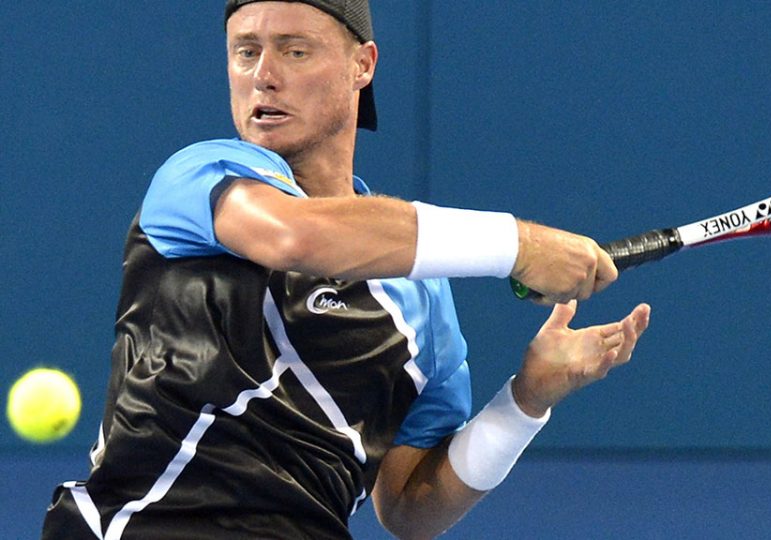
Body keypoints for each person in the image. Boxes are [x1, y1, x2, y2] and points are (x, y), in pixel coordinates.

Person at [41, 1, 651, 538]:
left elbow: (409, 507)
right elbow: (296, 235)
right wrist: (516, 244)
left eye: (294, 50)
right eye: (244, 52)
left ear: (363, 64)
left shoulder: (421, 297)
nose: (264, 77)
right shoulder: (199, 177)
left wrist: (524, 402)